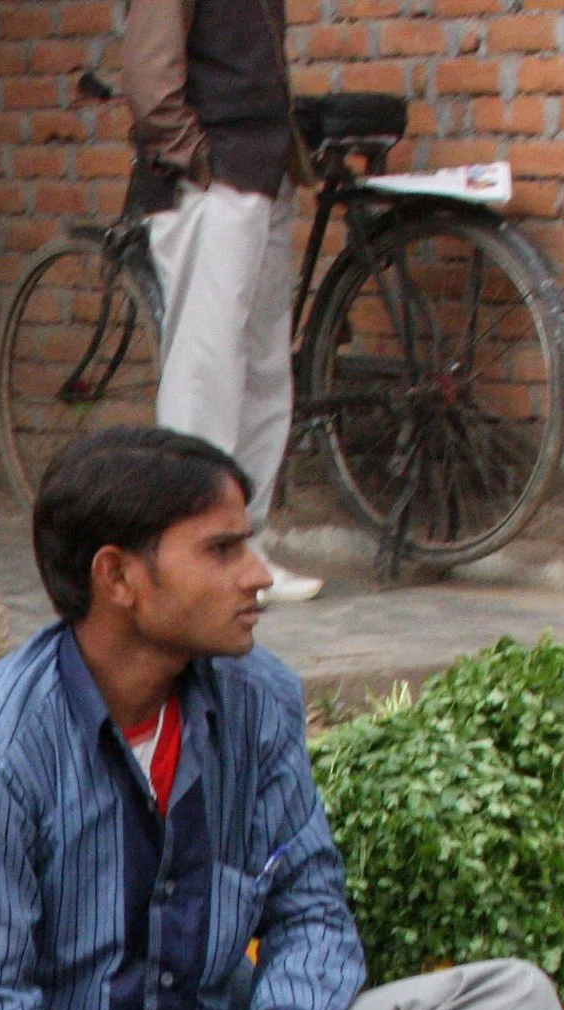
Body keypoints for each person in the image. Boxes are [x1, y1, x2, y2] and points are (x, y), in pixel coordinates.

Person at [0, 427, 564, 1010]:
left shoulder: (258, 698)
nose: (256, 577)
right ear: (117, 576)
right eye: (221, 552)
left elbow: (312, 907)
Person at [122, 0, 323, 604]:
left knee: (262, 365)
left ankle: (243, 547)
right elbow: (149, 71)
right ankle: (189, 554)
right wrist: (196, 158)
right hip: (213, 178)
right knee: (205, 367)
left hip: (259, 170)